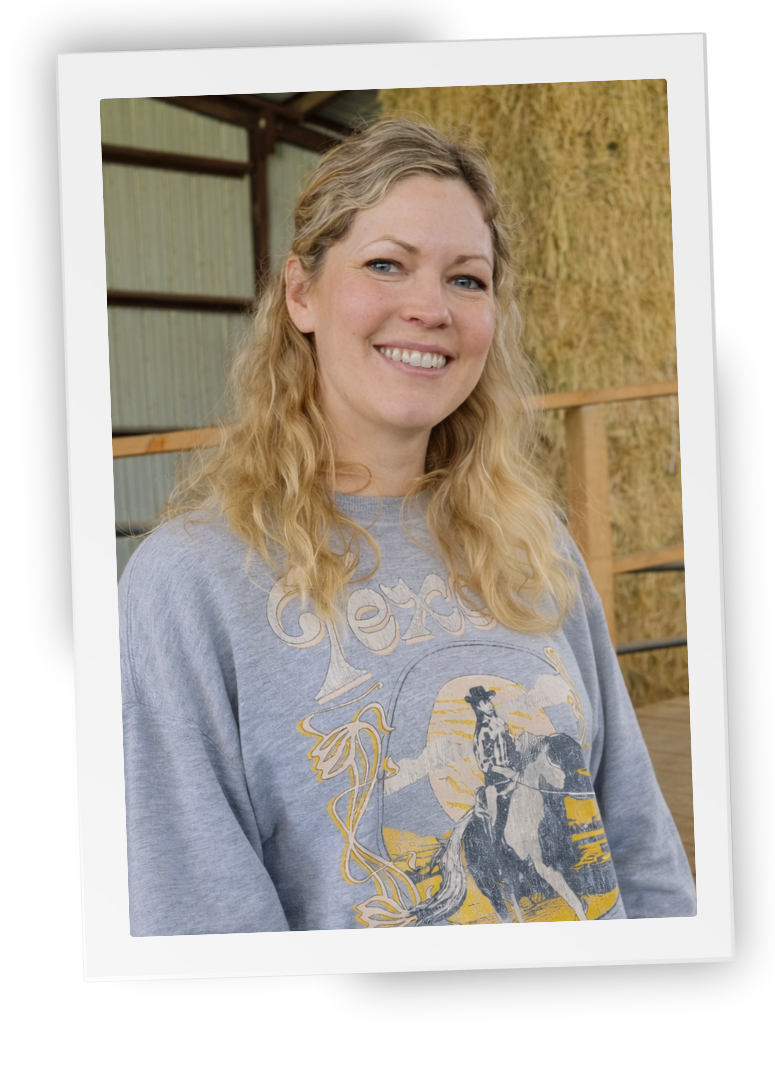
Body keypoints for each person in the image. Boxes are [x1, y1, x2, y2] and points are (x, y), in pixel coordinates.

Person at [119, 118, 696, 935]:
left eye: (466, 280)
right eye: (386, 265)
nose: (429, 308)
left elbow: (634, 841)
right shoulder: (192, 582)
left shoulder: (534, 546)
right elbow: (196, 917)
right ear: (301, 294)